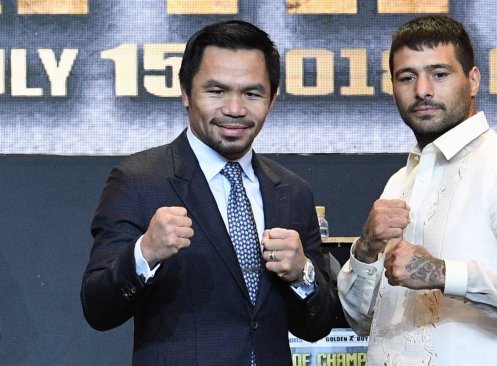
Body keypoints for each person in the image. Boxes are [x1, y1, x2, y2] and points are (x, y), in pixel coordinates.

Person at [81, 20, 338, 365]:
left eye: (251, 93)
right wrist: (145, 252)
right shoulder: (139, 180)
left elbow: (317, 327)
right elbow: (98, 309)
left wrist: (302, 273)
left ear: (273, 98)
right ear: (185, 92)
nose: (234, 109)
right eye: (216, 91)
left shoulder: (291, 191)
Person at [337, 15, 497, 365]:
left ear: (473, 80)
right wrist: (367, 249)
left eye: (439, 74)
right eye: (407, 77)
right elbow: (361, 321)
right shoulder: (399, 182)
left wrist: (443, 273)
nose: (422, 90)